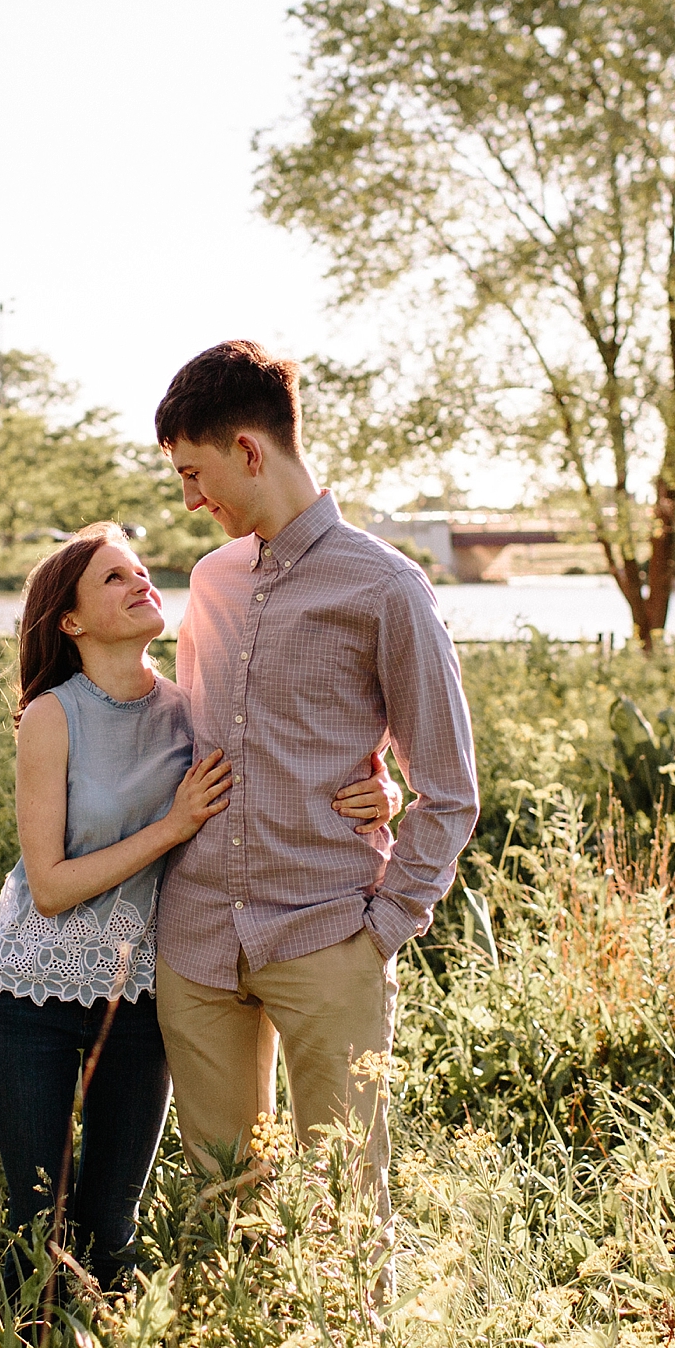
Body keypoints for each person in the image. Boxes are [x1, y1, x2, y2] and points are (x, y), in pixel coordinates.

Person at [0, 524, 397, 1295]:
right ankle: (28, 1345)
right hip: (31, 993)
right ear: (68, 621)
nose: (141, 582)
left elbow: (282, 762)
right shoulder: (51, 715)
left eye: (140, 570)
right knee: (37, 1221)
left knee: (111, 1230)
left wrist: (382, 791)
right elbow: (51, 885)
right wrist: (172, 825)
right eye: (113, 578)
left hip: (139, 994)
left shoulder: (189, 709)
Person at [149, 342, 481, 1227]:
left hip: (329, 936)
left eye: (195, 473)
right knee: (221, 1207)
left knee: (345, 1209)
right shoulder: (211, 580)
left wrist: (383, 930)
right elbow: (188, 738)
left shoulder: (386, 588)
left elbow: (448, 786)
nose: (189, 499)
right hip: (197, 943)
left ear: (250, 451)